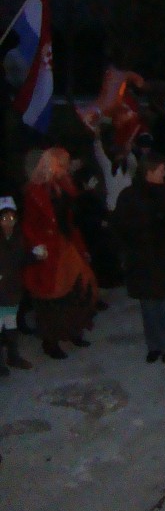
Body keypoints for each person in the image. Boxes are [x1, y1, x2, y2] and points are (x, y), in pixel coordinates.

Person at [21, 149, 98, 359]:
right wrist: (37, 246)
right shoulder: (35, 192)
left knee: (77, 288)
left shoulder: (62, 186)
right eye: (61, 164)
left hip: (65, 244)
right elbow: (29, 224)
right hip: (49, 249)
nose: (64, 168)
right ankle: (51, 340)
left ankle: (73, 330)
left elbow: (70, 216)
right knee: (52, 297)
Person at [113, 153, 165, 363]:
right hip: (141, 259)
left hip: (162, 257)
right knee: (149, 308)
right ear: (149, 172)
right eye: (161, 170)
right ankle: (154, 345)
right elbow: (119, 226)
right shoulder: (129, 196)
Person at [0, 197, 41, 374]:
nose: (8, 222)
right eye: (4, 218)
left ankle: (13, 356)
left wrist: (35, 256)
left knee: (10, 325)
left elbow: (20, 260)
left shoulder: (17, 238)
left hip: (12, 289)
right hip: (2, 291)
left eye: (11, 218)